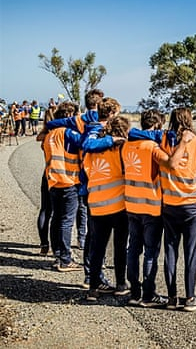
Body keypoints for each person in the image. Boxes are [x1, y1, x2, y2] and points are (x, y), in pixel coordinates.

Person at [123, 109, 185, 308]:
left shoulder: (126, 146)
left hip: (131, 204)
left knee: (133, 248)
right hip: (151, 205)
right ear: (158, 125)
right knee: (150, 251)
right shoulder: (152, 147)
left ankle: (134, 292)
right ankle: (148, 295)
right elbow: (170, 164)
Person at [160, 107, 196, 312]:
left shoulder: (161, 140)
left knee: (170, 251)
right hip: (191, 204)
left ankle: (171, 297)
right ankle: (190, 298)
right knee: (191, 253)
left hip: (169, 204)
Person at [82, 110, 130, 301]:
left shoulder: (92, 152)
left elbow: (85, 174)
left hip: (96, 204)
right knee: (120, 246)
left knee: (97, 248)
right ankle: (120, 284)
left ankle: (93, 287)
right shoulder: (121, 150)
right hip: (118, 205)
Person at [42, 101, 82, 272]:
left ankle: (57, 255)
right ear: (69, 116)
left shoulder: (50, 134)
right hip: (69, 180)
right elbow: (85, 144)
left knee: (56, 218)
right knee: (67, 221)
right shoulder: (68, 133)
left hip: (53, 181)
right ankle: (65, 259)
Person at [36, 106, 56, 256]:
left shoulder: (45, 135)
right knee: (58, 214)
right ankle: (58, 248)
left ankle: (44, 244)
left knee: (45, 210)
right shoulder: (60, 134)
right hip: (60, 177)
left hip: (46, 173)